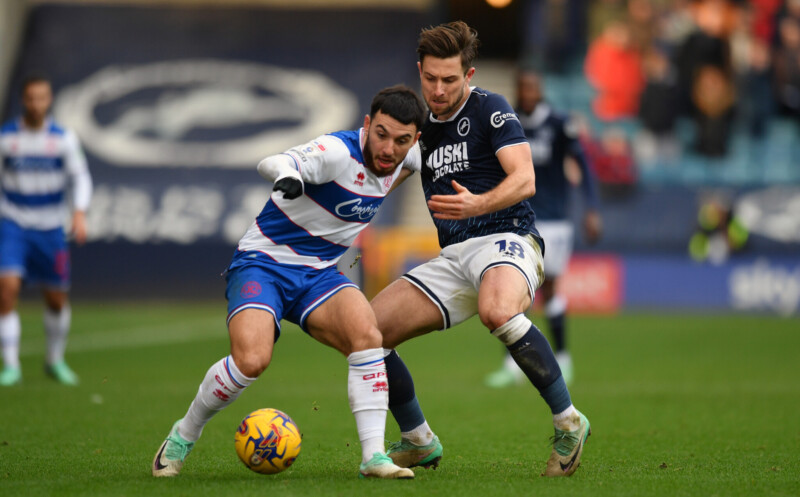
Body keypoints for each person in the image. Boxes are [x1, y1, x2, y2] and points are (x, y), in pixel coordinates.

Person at [151, 85, 425, 480]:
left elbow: (436, 152)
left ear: (414, 140)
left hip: (318, 274)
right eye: (381, 134)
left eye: (401, 141)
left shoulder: (408, 157)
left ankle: (374, 457)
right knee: (251, 360)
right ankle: (183, 434)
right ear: (367, 125)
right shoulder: (336, 153)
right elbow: (274, 160)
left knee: (368, 334)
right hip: (263, 264)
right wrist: (289, 175)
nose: (388, 148)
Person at [371, 21, 591, 477]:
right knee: (368, 332)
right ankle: (417, 439)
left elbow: (525, 179)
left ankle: (569, 422)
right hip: (454, 257)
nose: (439, 90)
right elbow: (376, 179)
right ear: (419, 71)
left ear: (468, 75)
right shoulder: (418, 129)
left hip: (508, 238)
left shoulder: (491, 108)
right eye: (431, 78)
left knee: (498, 310)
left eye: (450, 80)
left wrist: (478, 203)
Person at [484, 70, 602, 389]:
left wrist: (592, 207)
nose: (528, 93)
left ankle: (563, 358)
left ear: (541, 90)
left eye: (533, 87)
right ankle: (511, 366)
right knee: (511, 290)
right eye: (523, 87)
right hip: (517, 220)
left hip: (554, 220)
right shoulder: (508, 123)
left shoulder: (560, 124)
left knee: (548, 288)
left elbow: (584, 164)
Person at [0, 75, 92, 387]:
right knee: (6, 289)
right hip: (13, 224)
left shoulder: (63, 138)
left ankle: (54, 360)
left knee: (56, 299)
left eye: (42, 98)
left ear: (49, 100)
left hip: (51, 228)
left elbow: (81, 177)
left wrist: (79, 211)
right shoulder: (7, 138)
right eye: (31, 98)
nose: (36, 104)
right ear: (23, 100)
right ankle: (11, 366)